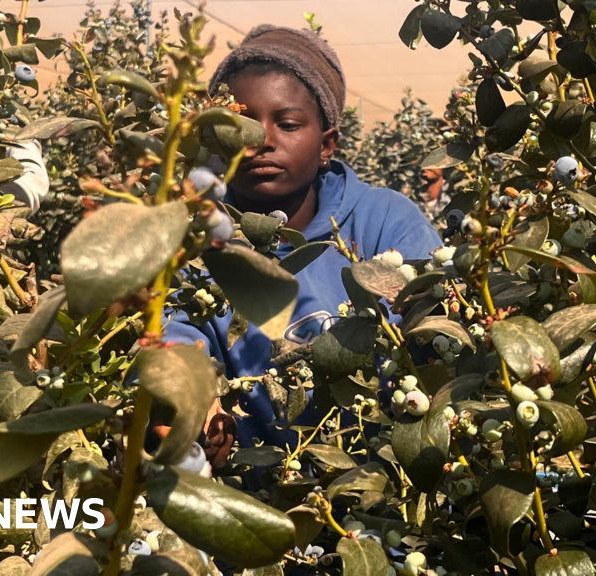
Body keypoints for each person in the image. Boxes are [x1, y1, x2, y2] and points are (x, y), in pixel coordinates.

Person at [163, 25, 443, 467]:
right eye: (243, 126)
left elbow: (435, 333)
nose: (263, 142)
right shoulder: (196, 241)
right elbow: (177, 338)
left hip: (393, 495)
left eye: (288, 124)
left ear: (327, 143)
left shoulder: (385, 221)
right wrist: (189, 405)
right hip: (259, 500)